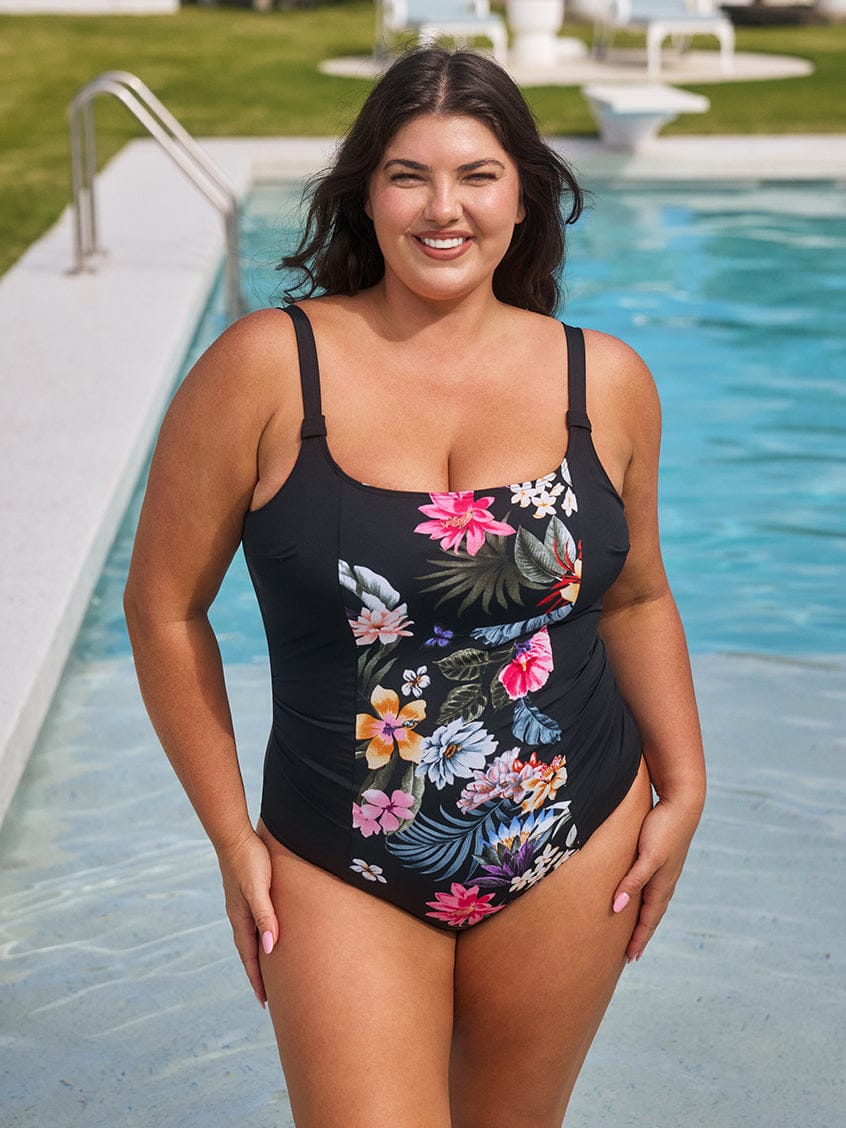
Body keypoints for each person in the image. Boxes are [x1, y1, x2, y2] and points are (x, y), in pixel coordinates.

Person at [124, 47, 705, 1128]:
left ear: (525, 194)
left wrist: (687, 789)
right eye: (409, 175)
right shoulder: (265, 367)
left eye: (478, 175)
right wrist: (229, 836)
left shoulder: (606, 381)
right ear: (365, 194)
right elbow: (161, 608)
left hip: (573, 836)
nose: (445, 209)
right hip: (337, 848)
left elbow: (635, 597)